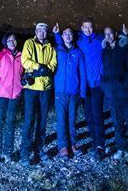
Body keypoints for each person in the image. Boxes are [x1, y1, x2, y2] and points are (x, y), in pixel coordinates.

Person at [55, 19, 128, 160]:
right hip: (84, 86)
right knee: (88, 116)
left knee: (97, 115)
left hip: (97, 85)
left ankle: (100, 145)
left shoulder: (100, 40)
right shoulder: (79, 41)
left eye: (90, 27)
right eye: (85, 27)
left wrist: (124, 36)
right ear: (81, 28)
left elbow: (114, 42)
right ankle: (95, 143)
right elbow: (64, 43)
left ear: (93, 27)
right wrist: (57, 35)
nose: (88, 30)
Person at [101, 26, 128, 162]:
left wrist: (125, 85)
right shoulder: (105, 51)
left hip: (124, 94)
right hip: (111, 95)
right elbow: (104, 71)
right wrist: (104, 86)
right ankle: (121, 148)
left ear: (115, 34)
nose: (108, 36)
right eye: (106, 34)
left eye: (110, 33)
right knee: (117, 124)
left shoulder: (124, 48)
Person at [20, 22, 57, 165]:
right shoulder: (29, 43)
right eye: (39, 30)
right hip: (32, 88)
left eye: (44, 31)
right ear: (35, 31)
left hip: (45, 88)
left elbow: (53, 63)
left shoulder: (50, 47)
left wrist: (46, 69)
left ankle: (39, 149)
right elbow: (25, 60)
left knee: (42, 121)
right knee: (29, 120)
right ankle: (25, 152)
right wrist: (39, 67)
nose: (42, 33)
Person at [0, 32, 23, 162]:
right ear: (5, 42)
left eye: (14, 40)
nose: (12, 42)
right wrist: (0, 84)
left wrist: (21, 86)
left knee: (10, 123)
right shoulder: (1, 55)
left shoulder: (21, 56)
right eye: (9, 40)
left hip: (15, 95)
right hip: (0, 95)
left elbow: (24, 74)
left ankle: (8, 152)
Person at [53, 27, 87, 158]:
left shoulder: (77, 52)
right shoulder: (58, 50)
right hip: (60, 91)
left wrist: (82, 92)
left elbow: (82, 73)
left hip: (74, 92)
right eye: (65, 34)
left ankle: (73, 144)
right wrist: (56, 34)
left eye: (70, 34)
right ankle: (62, 147)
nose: (68, 35)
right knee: (61, 120)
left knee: (72, 120)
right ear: (62, 36)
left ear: (73, 36)